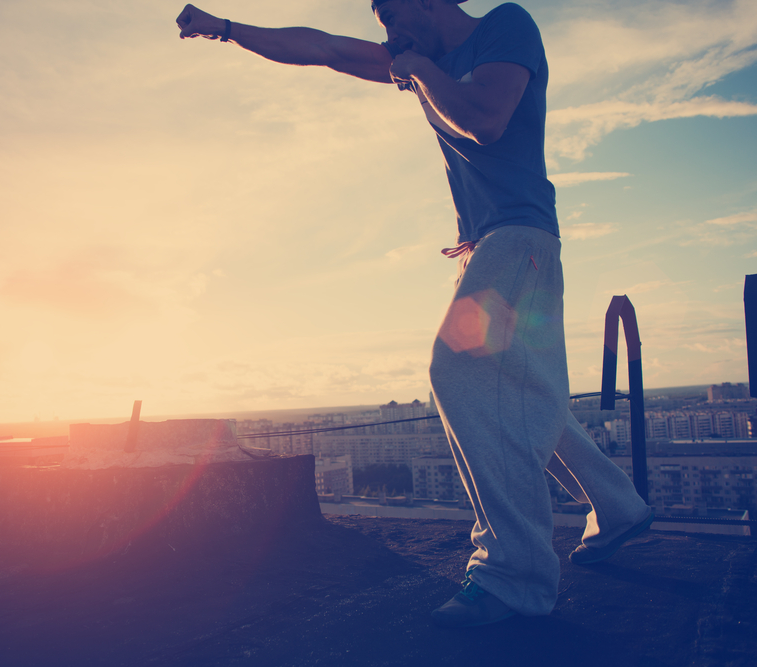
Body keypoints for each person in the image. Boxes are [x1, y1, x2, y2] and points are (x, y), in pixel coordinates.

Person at [177, 0, 653, 628]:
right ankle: (620, 508)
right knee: (522, 390)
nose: (387, 30)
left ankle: (514, 574)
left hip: (518, 236)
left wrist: (421, 66)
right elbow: (324, 47)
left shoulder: (502, 27)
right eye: (379, 20)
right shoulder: (420, 60)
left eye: (393, 12)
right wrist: (229, 30)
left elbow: (486, 119)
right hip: (488, 246)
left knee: (461, 371)